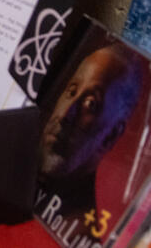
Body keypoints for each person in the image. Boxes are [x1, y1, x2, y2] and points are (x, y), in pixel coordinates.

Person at [37, 43, 145, 236]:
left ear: (111, 136)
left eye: (90, 104)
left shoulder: (83, 231)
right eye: (71, 91)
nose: (65, 114)